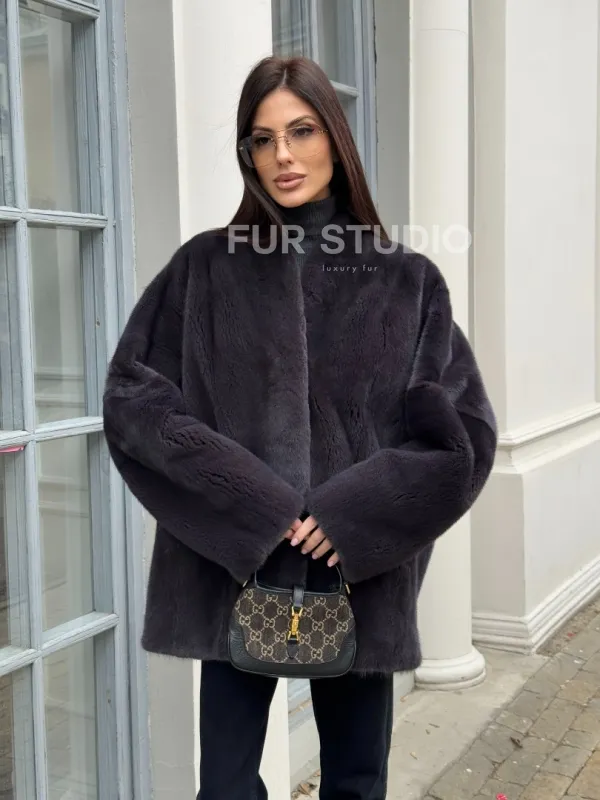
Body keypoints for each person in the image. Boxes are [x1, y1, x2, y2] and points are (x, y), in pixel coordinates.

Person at [103, 56, 497, 800]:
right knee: (224, 786)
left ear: (335, 139)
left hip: (358, 577)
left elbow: (462, 438)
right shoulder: (205, 268)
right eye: (263, 139)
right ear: (248, 154)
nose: (283, 155)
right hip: (232, 569)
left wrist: (353, 513)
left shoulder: (405, 279)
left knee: (355, 781)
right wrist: (254, 505)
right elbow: (133, 400)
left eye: (302, 131)